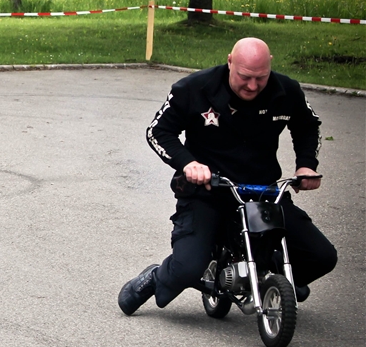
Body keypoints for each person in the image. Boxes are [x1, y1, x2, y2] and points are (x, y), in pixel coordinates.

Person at [118, 37, 337, 315]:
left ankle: (274, 279)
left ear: (270, 65)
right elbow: (158, 131)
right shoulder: (194, 88)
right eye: (245, 77)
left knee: (321, 256)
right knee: (187, 268)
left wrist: (306, 165)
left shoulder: (286, 90)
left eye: (261, 77)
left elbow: (308, 125)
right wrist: (189, 163)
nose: (253, 86)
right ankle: (156, 277)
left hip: (262, 193)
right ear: (230, 61)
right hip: (207, 192)